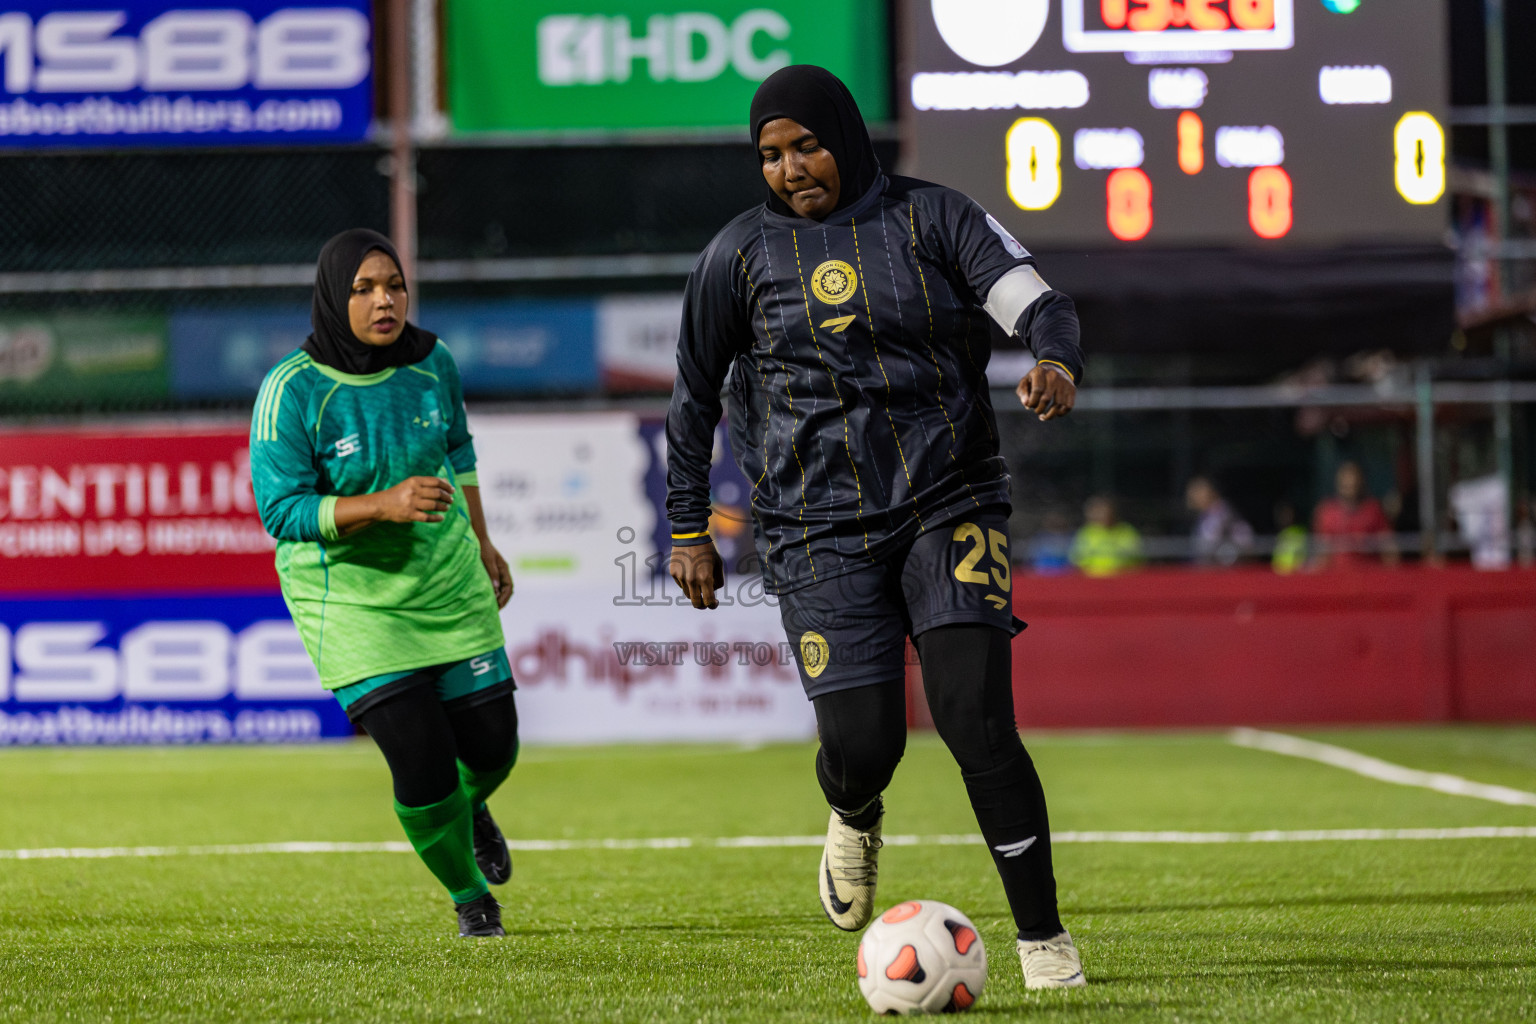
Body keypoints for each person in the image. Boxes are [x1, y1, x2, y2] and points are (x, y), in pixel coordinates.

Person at [665, 65, 1087, 990]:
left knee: (976, 719)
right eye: (770, 155)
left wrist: (1053, 360)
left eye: (806, 145)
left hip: (950, 496)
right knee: (865, 745)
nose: (789, 169)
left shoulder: (935, 218)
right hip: (814, 529)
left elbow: (1038, 301)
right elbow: (694, 398)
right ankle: (853, 811)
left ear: (846, 138)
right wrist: (689, 527)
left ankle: (1044, 943)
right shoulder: (737, 256)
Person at [250, 229, 519, 938]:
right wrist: (383, 505)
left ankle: (473, 809)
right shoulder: (291, 390)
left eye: (394, 285)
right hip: (352, 599)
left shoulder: (434, 363)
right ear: (334, 298)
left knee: (495, 746)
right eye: (364, 288)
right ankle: (470, 897)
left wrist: (485, 540)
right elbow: (281, 512)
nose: (384, 300)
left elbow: (457, 446)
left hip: (445, 579)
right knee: (424, 762)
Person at [1312, 460, 1398, 568]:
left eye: (1354, 483)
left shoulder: (1373, 510)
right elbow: (1322, 554)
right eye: (1346, 484)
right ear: (1339, 484)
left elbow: (1388, 547)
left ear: (1361, 482)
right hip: (1337, 577)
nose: (1350, 486)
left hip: (1370, 574)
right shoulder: (1327, 513)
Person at [1186, 476, 1253, 566]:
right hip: (1215, 566)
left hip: (1230, 567)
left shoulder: (1220, 511)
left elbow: (1208, 546)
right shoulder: (1206, 514)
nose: (1192, 496)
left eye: (1197, 491)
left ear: (1210, 492)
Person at [1068, 496, 1143, 577]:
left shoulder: (1126, 531)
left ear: (1113, 511)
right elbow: (1077, 560)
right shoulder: (1086, 532)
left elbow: (1136, 559)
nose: (1099, 514)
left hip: (1122, 579)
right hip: (1093, 580)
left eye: (1103, 510)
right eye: (1095, 511)